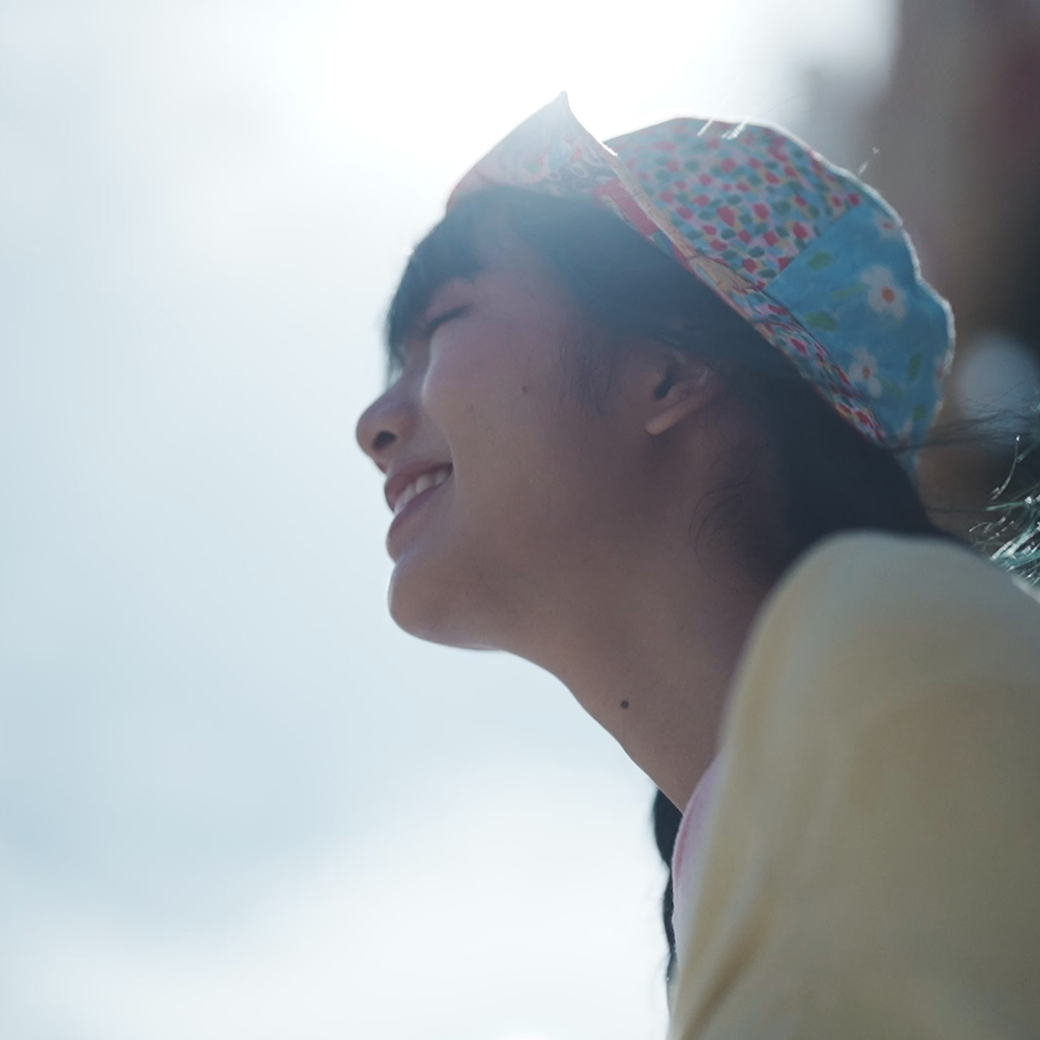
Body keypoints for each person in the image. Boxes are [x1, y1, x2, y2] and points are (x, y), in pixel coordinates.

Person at [355, 95, 1040, 1038]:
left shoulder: (904, 651)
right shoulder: (740, 862)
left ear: (671, 370)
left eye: (443, 325)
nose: (374, 424)